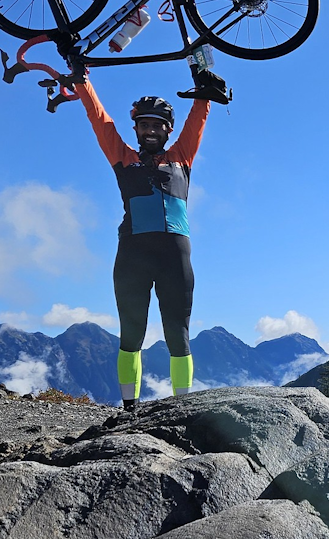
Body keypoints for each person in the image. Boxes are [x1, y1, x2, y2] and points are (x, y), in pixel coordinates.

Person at [74, 72, 222, 411]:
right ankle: (130, 410)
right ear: (136, 130)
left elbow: (197, 119)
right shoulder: (122, 157)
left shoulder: (182, 157)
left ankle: (182, 410)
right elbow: (100, 119)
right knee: (131, 334)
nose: (151, 130)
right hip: (133, 254)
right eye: (144, 125)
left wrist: (203, 87)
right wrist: (82, 81)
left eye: (158, 125)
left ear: (169, 130)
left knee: (177, 333)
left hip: (175, 254)